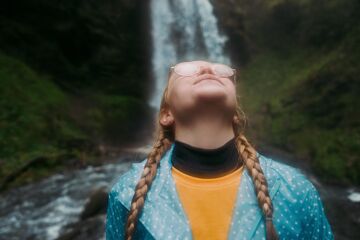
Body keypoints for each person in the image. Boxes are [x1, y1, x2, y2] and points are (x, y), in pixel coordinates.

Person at [106, 60, 334, 240]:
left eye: (221, 69)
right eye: (187, 69)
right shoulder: (126, 194)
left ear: (236, 113)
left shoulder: (296, 189)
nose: (207, 68)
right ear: (167, 114)